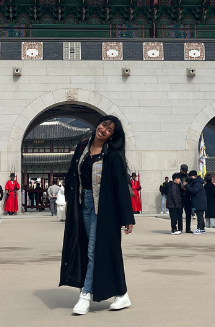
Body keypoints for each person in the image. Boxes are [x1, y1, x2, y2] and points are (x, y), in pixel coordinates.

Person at [60, 115, 135, 315]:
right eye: (103, 125)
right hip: (83, 203)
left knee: (94, 249)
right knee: (91, 248)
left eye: (109, 130)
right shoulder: (83, 145)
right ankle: (122, 294)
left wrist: (127, 217)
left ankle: (85, 295)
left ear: (112, 136)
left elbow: (121, 185)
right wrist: (69, 199)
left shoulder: (112, 154)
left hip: (103, 208)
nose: (103, 130)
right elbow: (71, 174)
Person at [178, 164, 194, 233]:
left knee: (188, 213)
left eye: (185, 171)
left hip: (187, 196)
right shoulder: (178, 176)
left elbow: (191, 185)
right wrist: (180, 187)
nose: (184, 172)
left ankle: (188, 228)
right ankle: (180, 228)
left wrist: (187, 187)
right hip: (180, 196)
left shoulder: (188, 177)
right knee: (179, 213)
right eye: (183, 171)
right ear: (181, 170)